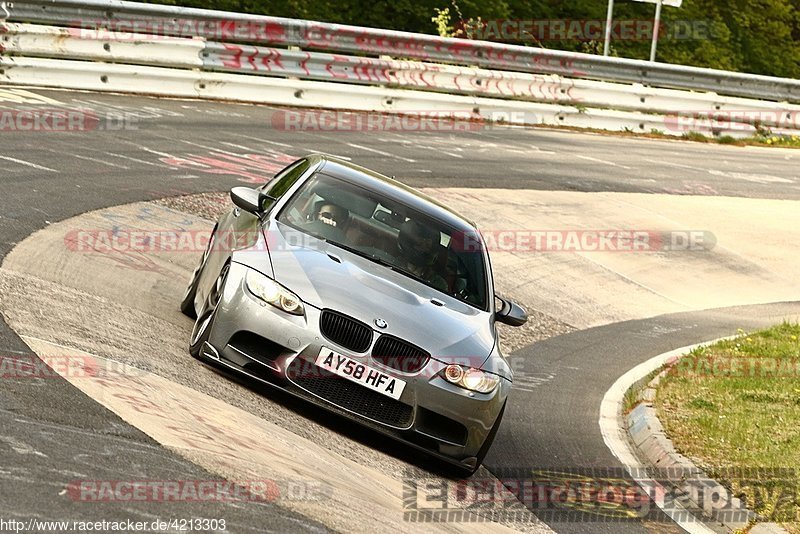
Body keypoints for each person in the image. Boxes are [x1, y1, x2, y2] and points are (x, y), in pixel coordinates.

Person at [395, 219, 448, 291]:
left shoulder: (438, 284)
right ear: (409, 244)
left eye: (427, 245)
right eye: (419, 243)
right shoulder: (390, 264)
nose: (423, 248)